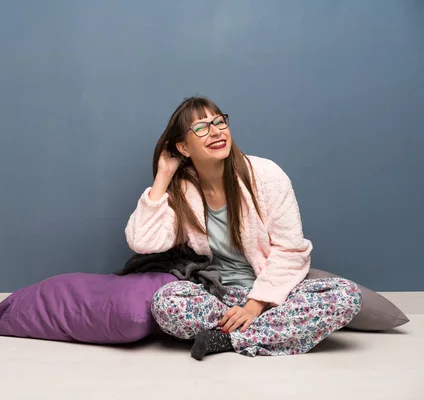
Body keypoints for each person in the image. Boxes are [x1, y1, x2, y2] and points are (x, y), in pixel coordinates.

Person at [125, 96, 362, 359]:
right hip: (219, 297)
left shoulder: (266, 175)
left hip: (275, 295)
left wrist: (255, 305)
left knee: (347, 296)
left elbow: (291, 251)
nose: (216, 131)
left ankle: (227, 340)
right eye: (201, 127)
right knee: (166, 302)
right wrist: (163, 175)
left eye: (219, 121)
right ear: (183, 147)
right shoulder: (183, 191)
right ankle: (266, 335)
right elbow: (143, 241)